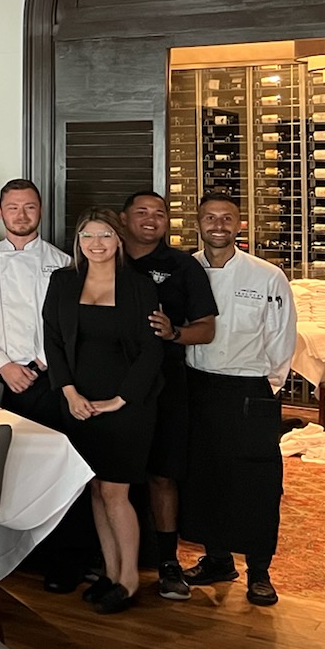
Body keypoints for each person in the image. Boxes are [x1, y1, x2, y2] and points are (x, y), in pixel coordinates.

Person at [42, 208, 165, 615]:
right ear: (78, 241)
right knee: (95, 487)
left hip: (126, 403)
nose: (96, 244)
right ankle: (110, 573)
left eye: (105, 235)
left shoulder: (138, 285)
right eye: (88, 236)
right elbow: (54, 341)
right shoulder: (62, 281)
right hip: (79, 400)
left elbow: (151, 350)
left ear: (118, 240)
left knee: (115, 490)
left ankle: (129, 579)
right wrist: (70, 393)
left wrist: (121, 399)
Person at [182, 191, 296, 607]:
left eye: (226, 218)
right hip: (199, 384)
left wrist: (270, 386)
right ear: (198, 223)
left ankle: (260, 571)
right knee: (205, 476)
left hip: (250, 388)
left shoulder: (267, 275)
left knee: (257, 482)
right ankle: (216, 559)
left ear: (239, 225)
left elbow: (283, 335)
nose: (218, 225)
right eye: (210, 218)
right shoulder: (186, 269)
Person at [121, 189, 217, 602]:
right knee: (110, 476)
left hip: (165, 384)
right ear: (123, 219)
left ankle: (167, 563)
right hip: (109, 387)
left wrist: (174, 333)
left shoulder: (183, 267)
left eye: (158, 213)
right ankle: (112, 563)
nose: (150, 219)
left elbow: (207, 329)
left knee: (163, 474)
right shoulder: (104, 258)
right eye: (141, 212)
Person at [0, 178, 72, 424]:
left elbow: (66, 324)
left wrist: (40, 363)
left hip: (48, 376)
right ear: (0, 212)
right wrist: (5, 366)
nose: (21, 215)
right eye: (13, 208)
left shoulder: (63, 263)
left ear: (41, 210)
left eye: (29, 207)